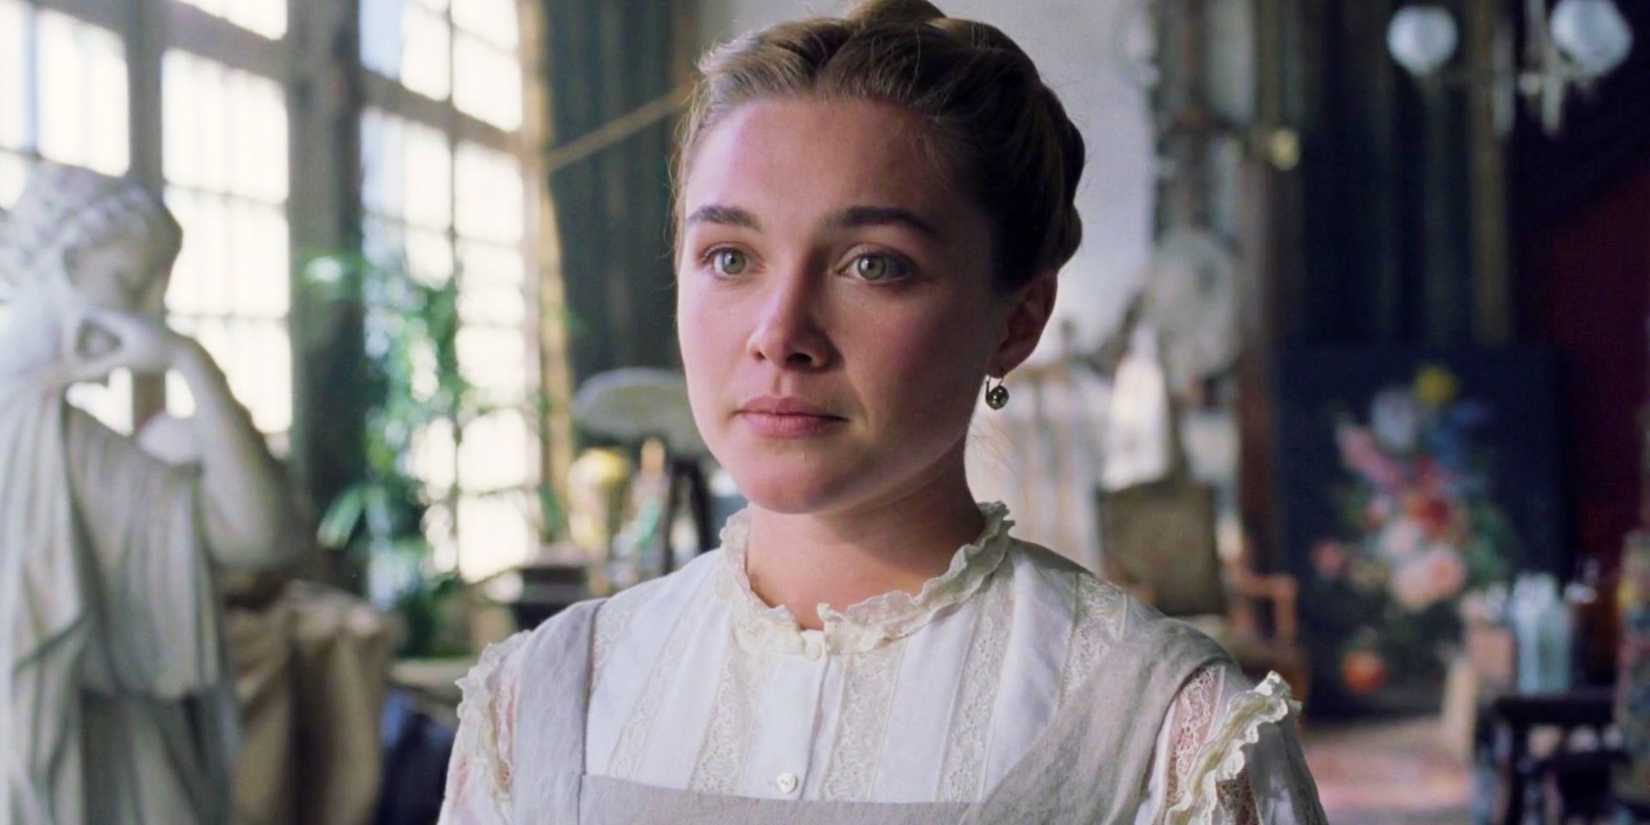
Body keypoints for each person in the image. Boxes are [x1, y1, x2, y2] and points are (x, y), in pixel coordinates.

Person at [438, 1, 1326, 822]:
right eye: (730, 258)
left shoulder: (1168, 733)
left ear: (1016, 319)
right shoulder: (540, 701)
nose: (779, 335)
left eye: (873, 264)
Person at [0, 163, 306, 824]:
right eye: (127, 282)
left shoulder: (66, 441)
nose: (146, 313)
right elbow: (263, 535)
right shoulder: (55, 440)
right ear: (65, 266)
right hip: (102, 778)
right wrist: (188, 361)